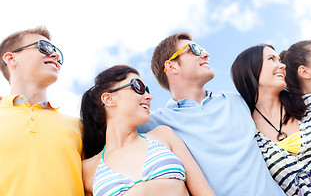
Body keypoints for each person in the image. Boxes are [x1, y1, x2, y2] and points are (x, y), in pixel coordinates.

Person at [137, 32, 285, 196]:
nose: (206, 54)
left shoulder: (238, 101)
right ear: (172, 66)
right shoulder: (153, 125)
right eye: (194, 49)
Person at [231, 44, 311, 196]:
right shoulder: (250, 134)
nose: (282, 65)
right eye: (271, 59)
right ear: (251, 70)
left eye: (280, 60)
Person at [80, 65, 215, 196]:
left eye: (147, 90)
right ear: (109, 99)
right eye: (138, 87)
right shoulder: (88, 169)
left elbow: (204, 193)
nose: (149, 96)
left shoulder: (163, 135)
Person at [0, 26, 84, 195]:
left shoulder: (79, 126)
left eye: (56, 52)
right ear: (11, 58)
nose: (55, 55)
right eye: (44, 48)